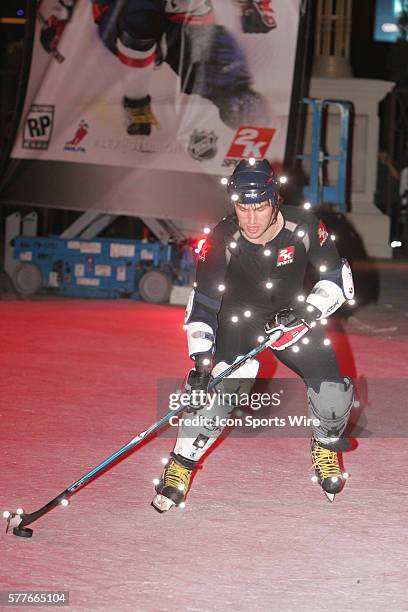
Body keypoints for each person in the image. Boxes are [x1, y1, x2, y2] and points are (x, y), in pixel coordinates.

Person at [152, 158, 355, 512]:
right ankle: (179, 467)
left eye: (259, 206)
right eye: (242, 207)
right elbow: (203, 305)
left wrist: (306, 312)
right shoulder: (222, 236)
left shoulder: (304, 225)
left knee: (334, 395)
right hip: (237, 323)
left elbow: (339, 279)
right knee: (214, 399)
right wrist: (201, 363)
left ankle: (325, 448)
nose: (250, 218)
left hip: (290, 320)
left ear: (274, 200)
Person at [40, 0, 277, 135]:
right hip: (128, 16)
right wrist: (60, 18)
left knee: (225, 71)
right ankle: (136, 105)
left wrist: (252, 6)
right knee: (137, 24)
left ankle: (234, 97)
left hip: (185, 20)